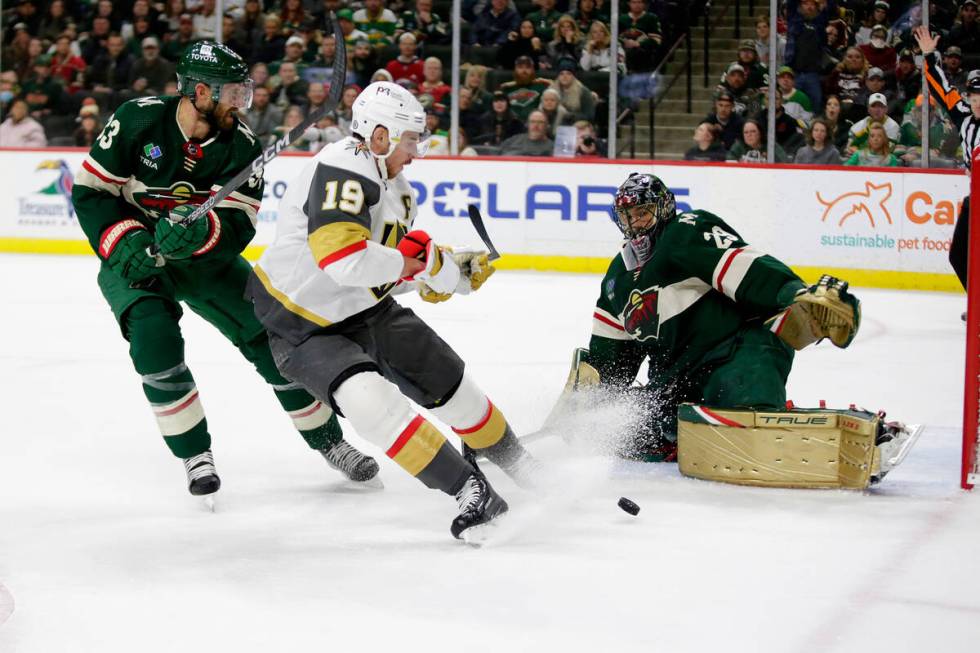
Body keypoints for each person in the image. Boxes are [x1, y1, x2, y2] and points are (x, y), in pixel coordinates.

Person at [70, 41, 378, 500]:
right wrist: (125, 239)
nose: (241, 103)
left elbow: (239, 224)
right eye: (232, 93)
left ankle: (330, 442)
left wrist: (201, 234)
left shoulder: (243, 145)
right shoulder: (137, 119)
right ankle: (195, 454)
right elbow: (92, 192)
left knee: (270, 337)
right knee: (154, 339)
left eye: (243, 92)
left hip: (205, 264)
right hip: (135, 257)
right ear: (199, 91)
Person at [246, 81, 540, 540]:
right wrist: (423, 265)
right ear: (379, 136)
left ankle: (520, 462)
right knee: (369, 403)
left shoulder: (401, 193)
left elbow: (378, 269)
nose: (417, 151)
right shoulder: (343, 166)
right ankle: (470, 489)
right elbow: (342, 259)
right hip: (301, 322)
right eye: (410, 139)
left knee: (454, 386)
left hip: (365, 309)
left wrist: (443, 274)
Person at [916, 24, 978, 290]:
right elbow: (941, 89)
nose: (977, 102)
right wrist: (930, 57)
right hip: (975, 198)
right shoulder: (964, 114)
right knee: (958, 256)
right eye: (974, 96)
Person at [499, 55, 552, 122]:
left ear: (533, 70)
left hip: (533, 123)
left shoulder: (541, 87)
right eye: (520, 67)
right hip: (511, 124)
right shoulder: (506, 88)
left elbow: (555, 97)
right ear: (515, 70)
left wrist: (547, 81)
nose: (524, 71)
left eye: (528, 67)